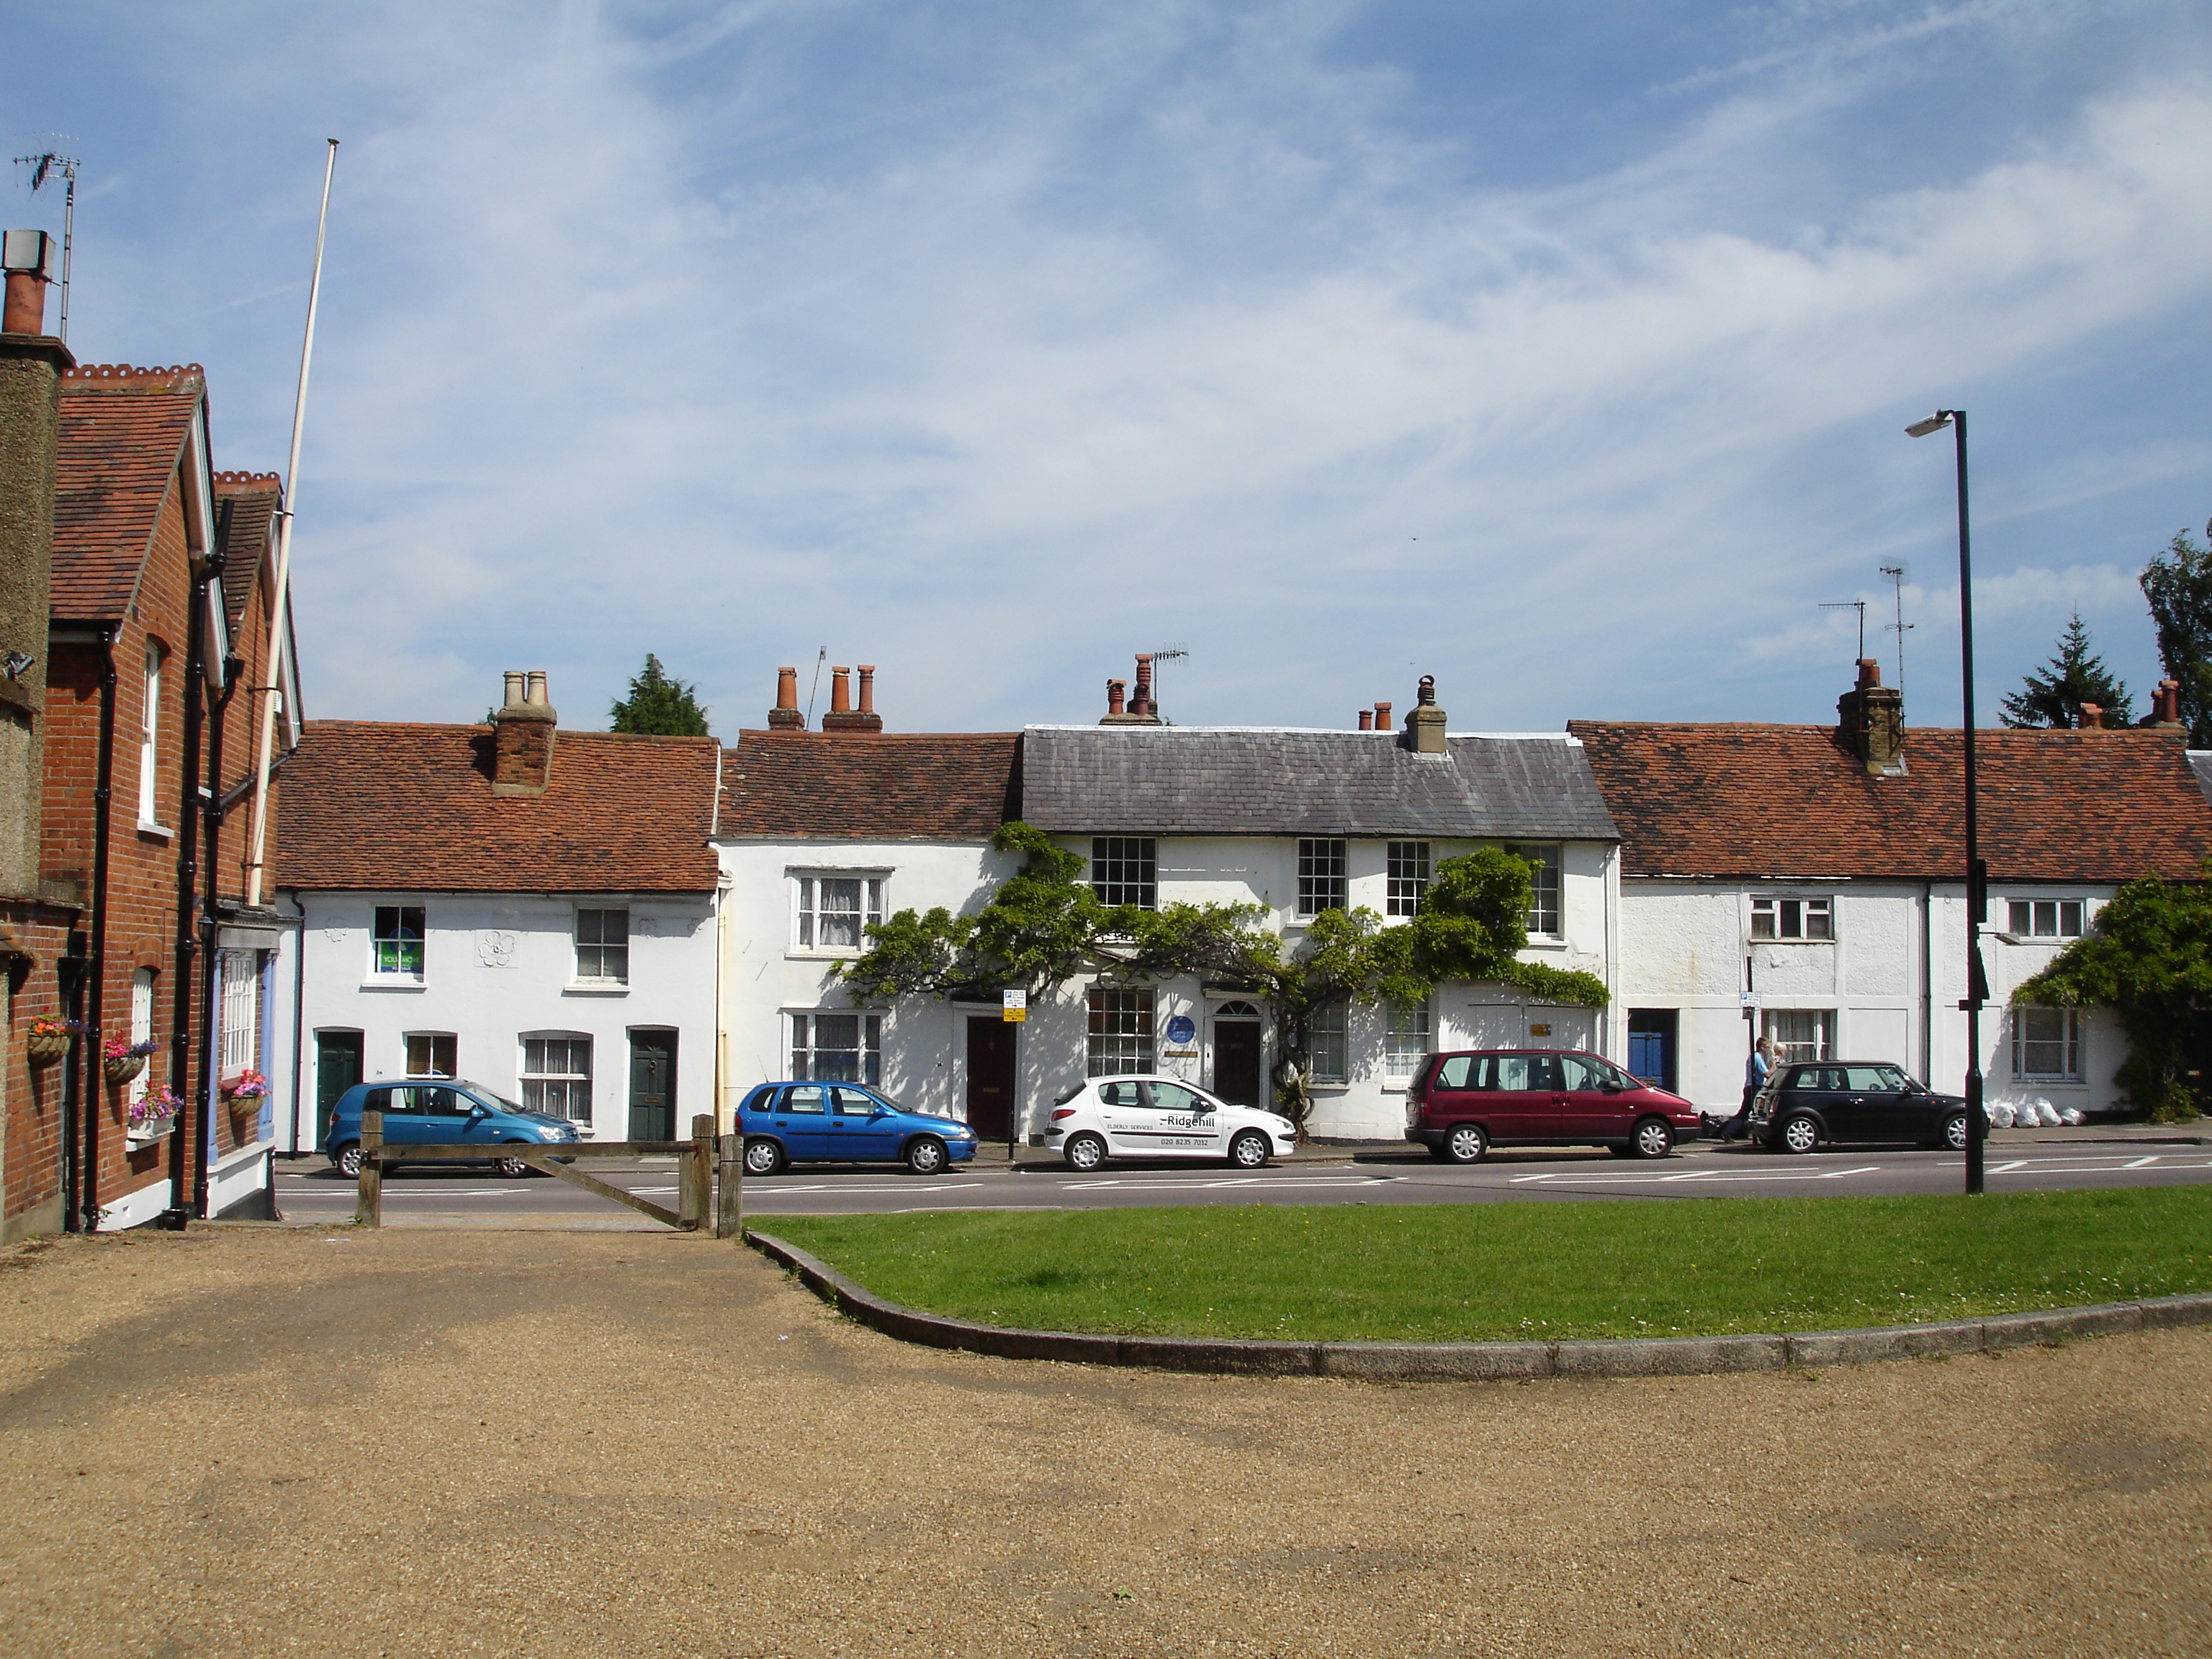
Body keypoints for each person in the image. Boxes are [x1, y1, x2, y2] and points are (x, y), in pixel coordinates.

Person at [1718, 1037, 1773, 1143]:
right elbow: (1767, 1074)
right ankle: (1728, 1133)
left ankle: (1728, 1133)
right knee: (1755, 1113)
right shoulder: (1757, 1058)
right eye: (1767, 1047)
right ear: (1762, 1047)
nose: (1768, 1049)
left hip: (1750, 1087)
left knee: (1745, 1113)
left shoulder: (1753, 1057)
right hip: (1754, 1088)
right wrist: (1774, 1065)